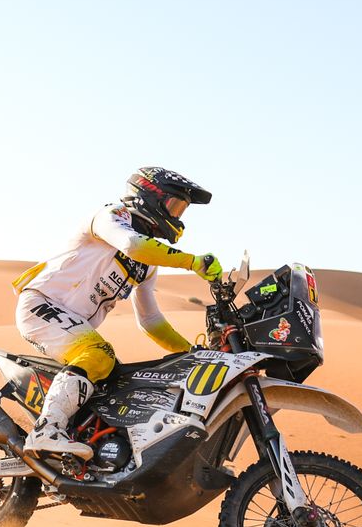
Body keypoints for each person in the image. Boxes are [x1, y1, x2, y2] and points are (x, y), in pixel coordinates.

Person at [12, 167, 224, 460]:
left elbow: (150, 321)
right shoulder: (110, 216)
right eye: (174, 206)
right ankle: (46, 431)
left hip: (73, 325)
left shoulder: (147, 265)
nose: (177, 217)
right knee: (100, 355)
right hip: (41, 304)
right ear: (149, 195)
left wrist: (190, 353)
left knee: (120, 385)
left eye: (182, 210)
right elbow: (132, 244)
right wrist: (192, 262)